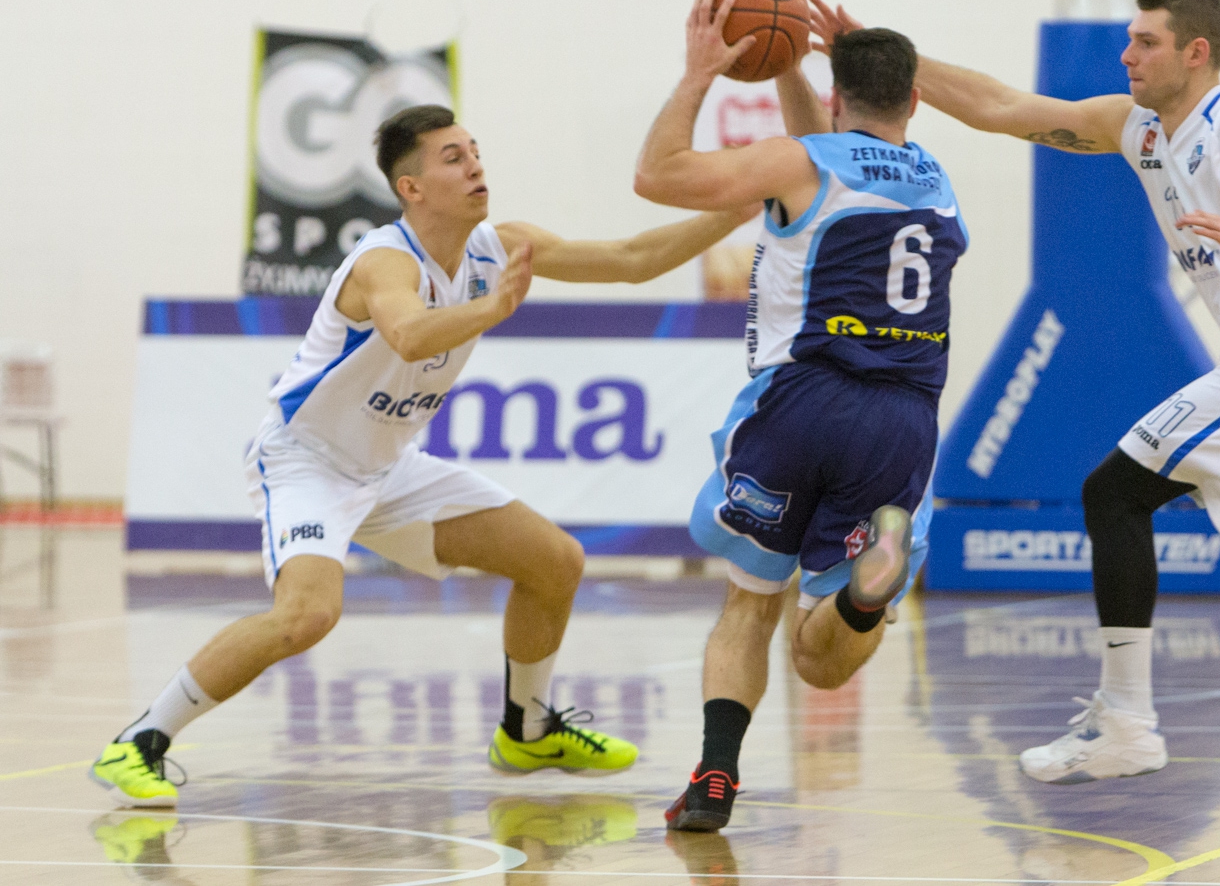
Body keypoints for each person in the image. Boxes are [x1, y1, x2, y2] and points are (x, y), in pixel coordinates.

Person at [866, 0, 1220, 826]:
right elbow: (1006, 106)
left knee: (1112, 491)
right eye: (1126, 41)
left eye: (1145, 42)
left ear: (1196, 51)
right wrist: (895, 60)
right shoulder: (1138, 128)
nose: (1127, 54)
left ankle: (1126, 721)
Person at [91, 104, 754, 807]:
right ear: (411, 188)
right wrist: (491, 311)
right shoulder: (384, 259)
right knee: (305, 616)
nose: (474, 164)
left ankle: (526, 729)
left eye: (475, 150)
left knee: (554, 560)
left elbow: (633, 259)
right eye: (452, 157)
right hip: (306, 459)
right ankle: (139, 740)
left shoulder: (499, 247)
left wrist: (738, 207)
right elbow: (408, 334)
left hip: (388, 467)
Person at [634, 0, 967, 831]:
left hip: (802, 401)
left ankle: (716, 774)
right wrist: (796, 66)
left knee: (749, 600)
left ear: (833, 96)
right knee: (823, 660)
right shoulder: (936, 180)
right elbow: (826, 147)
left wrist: (699, 75)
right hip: (902, 423)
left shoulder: (800, 163)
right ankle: (861, 596)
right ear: (916, 98)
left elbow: (657, 174)